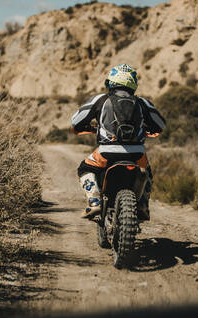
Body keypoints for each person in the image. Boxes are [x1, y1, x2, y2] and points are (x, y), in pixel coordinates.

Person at [71, 64, 166, 219]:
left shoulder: (100, 99)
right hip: (137, 154)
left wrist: (88, 127)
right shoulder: (142, 103)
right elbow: (160, 124)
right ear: (133, 83)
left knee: (84, 168)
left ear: (110, 82)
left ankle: (94, 202)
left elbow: (76, 121)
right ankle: (142, 204)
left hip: (106, 152)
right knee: (146, 173)